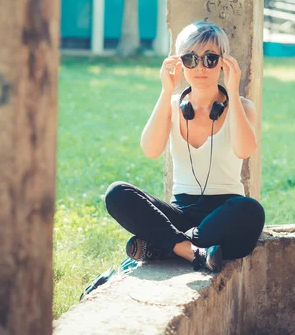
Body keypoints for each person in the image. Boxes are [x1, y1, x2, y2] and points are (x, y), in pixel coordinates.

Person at [105, 21, 265, 273]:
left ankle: (163, 246)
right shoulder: (171, 105)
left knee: (250, 210)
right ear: (180, 63)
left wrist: (232, 92)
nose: (200, 67)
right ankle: (192, 252)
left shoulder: (242, 107)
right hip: (179, 211)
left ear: (223, 62)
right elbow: (150, 150)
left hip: (225, 214)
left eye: (210, 59)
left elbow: (244, 150)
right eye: (191, 59)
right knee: (117, 193)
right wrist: (165, 89)